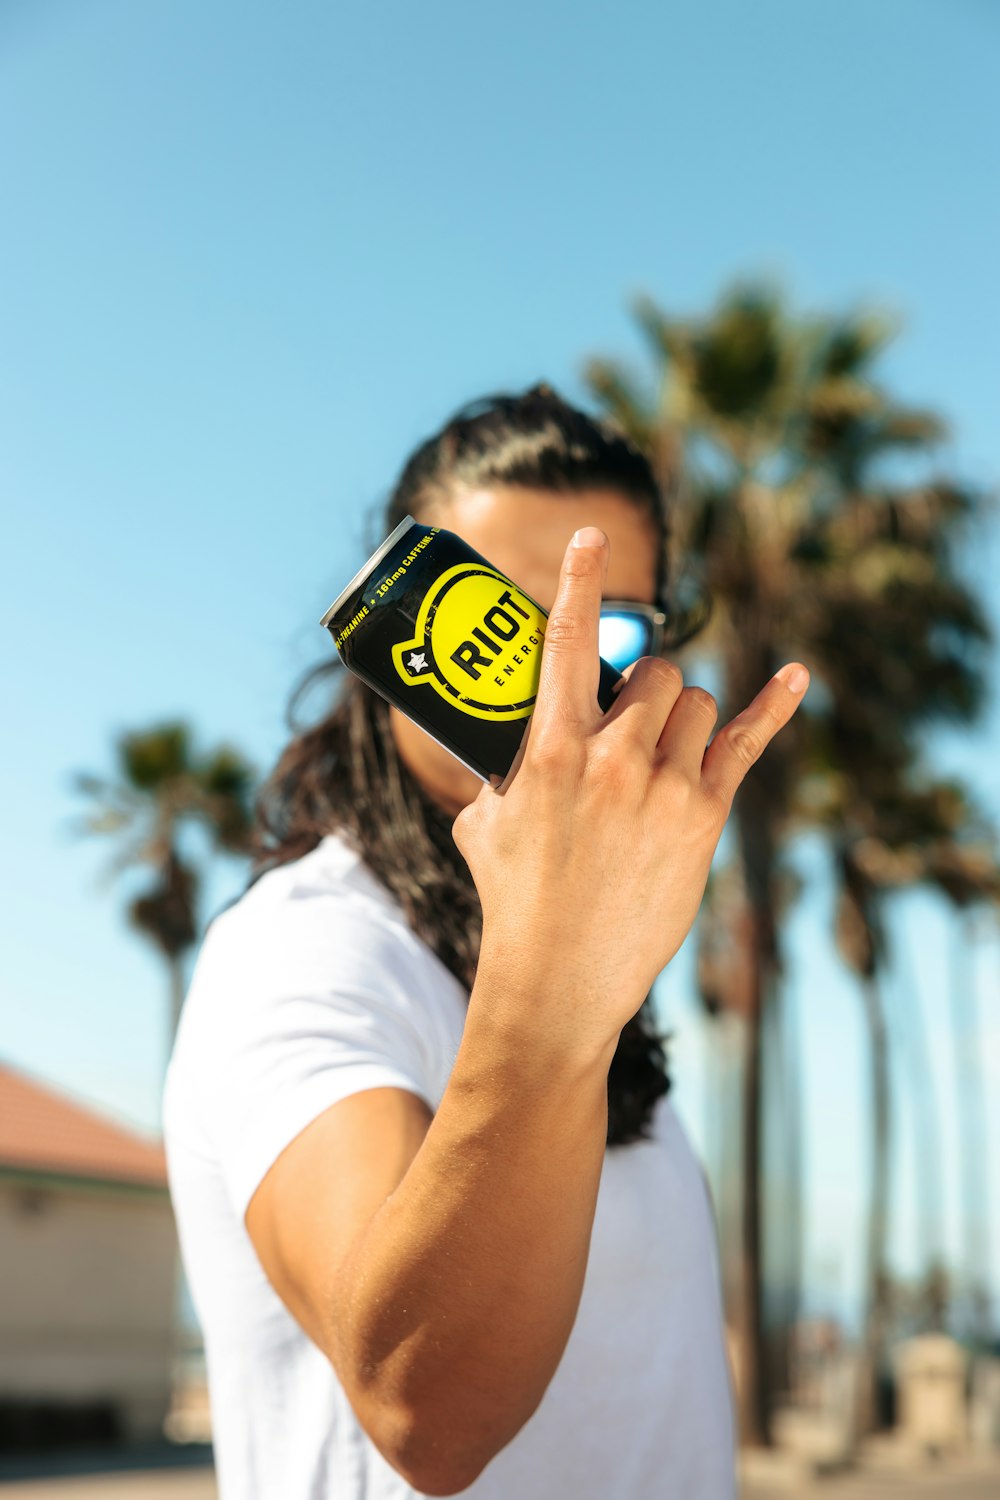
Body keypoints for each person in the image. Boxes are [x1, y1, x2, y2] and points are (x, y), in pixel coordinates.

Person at [163, 384, 808, 1498]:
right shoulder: (305, 952)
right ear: (391, 620)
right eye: (493, 613)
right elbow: (429, 1410)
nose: (550, 679)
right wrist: (562, 977)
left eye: (603, 628)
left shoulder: (577, 969)